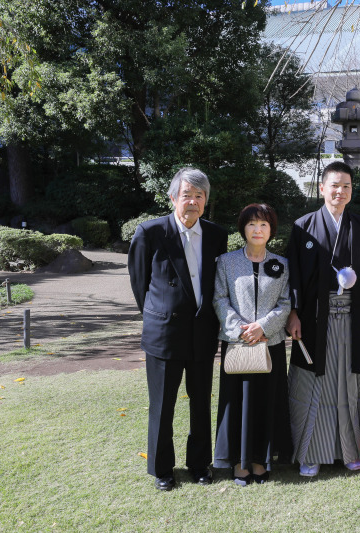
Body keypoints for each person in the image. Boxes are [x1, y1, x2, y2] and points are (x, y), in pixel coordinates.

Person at [128, 167, 228, 491]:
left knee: (200, 404)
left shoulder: (216, 235)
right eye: (187, 195)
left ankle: (199, 465)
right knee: (163, 405)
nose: (193, 202)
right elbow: (138, 283)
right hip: (164, 335)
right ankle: (162, 470)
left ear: (206, 201)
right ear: (173, 197)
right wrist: (159, 314)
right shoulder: (150, 232)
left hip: (202, 333)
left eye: (200, 196)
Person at [286, 161, 360, 477]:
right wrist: (292, 313)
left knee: (349, 384)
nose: (340, 191)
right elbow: (293, 274)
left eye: (346, 186)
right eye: (334, 185)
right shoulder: (303, 226)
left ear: (351, 190)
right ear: (322, 188)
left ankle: (351, 450)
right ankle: (311, 453)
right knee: (314, 385)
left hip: (351, 320)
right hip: (313, 320)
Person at [212, 204, 292, 486]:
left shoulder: (282, 264)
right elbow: (219, 298)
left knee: (265, 402)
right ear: (243, 229)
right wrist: (242, 330)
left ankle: (261, 460)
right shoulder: (225, 261)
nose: (257, 230)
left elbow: (285, 303)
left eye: (264, 225)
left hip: (270, 344)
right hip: (238, 345)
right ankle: (238, 461)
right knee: (238, 403)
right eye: (252, 225)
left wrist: (263, 327)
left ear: (271, 230)